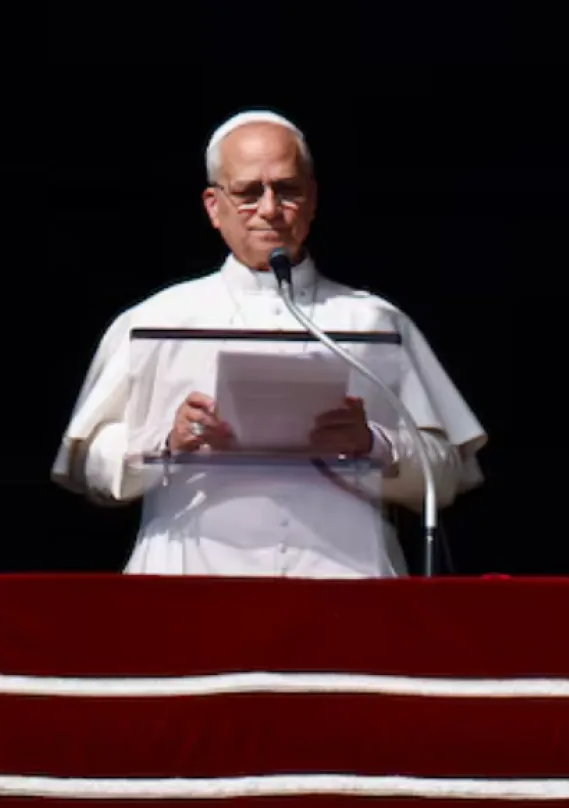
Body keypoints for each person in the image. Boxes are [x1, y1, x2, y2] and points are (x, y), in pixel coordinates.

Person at [51, 110, 485, 578]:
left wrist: (374, 444)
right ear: (213, 206)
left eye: (288, 189)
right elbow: (87, 468)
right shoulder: (155, 321)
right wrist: (165, 441)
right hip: (191, 583)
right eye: (248, 193)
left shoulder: (375, 321)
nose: (271, 209)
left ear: (314, 198)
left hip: (347, 590)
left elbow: (447, 474)